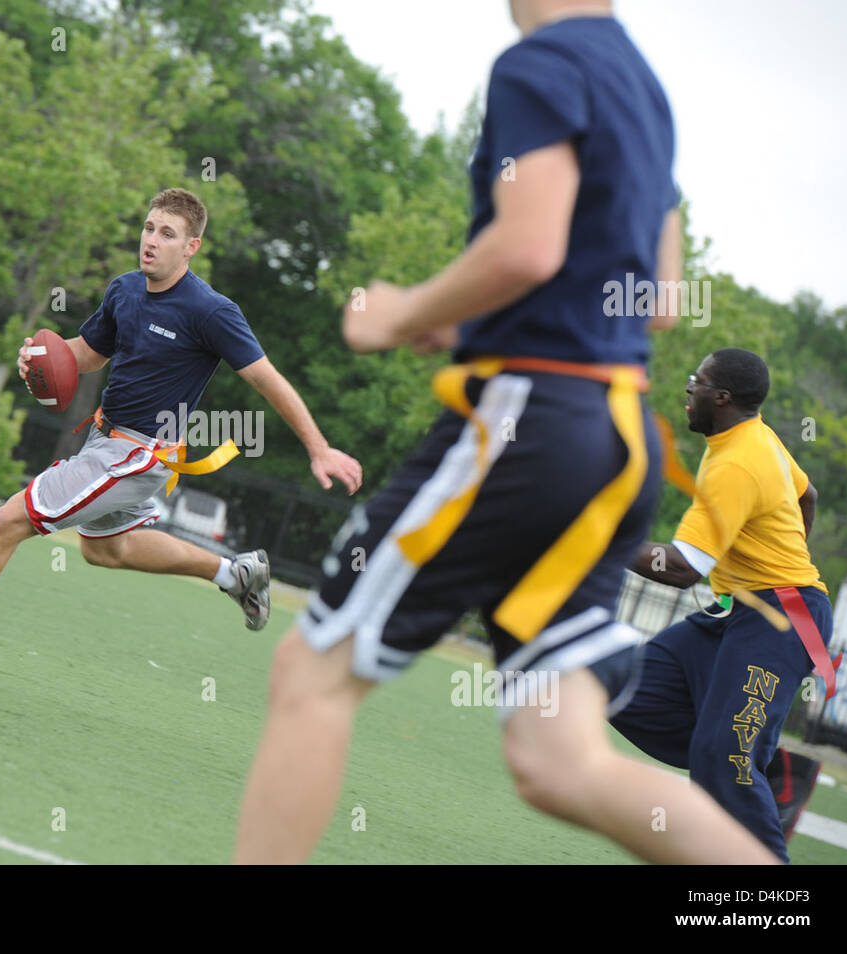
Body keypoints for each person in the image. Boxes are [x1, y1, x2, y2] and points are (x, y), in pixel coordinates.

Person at [234, 0, 780, 864]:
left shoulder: (539, 64)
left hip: (528, 424)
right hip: (618, 436)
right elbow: (661, 298)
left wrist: (402, 309)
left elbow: (528, 247)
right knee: (558, 760)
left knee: (312, 675)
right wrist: (469, 326)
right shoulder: (646, 88)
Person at [0, 188, 361, 660]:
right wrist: (41, 358)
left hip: (135, 455)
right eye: (149, 228)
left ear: (191, 247)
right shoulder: (125, 290)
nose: (151, 240)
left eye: (168, 234)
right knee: (104, 548)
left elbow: (268, 379)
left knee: (9, 521)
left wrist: (318, 448)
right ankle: (233, 573)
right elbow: (85, 355)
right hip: (102, 438)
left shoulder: (212, 311)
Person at [610, 348, 833, 863]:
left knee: (725, 754)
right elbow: (809, 496)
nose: (688, 389)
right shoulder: (750, 436)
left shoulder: (737, 462)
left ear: (722, 397)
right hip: (739, 611)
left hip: (783, 617)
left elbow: (684, 568)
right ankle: (770, 772)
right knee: (622, 686)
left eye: (697, 381)